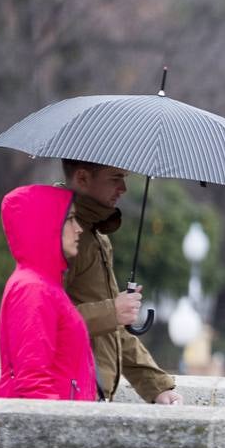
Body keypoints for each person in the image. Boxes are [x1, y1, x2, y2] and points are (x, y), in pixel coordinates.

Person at [59, 160, 181, 404]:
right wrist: (112, 311)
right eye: (115, 178)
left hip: (91, 392)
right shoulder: (65, 235)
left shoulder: (95, 235)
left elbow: (112, 330)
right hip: (71, 392)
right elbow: (47, 323)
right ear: (82, 179)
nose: (123, 188)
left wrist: (157, 386)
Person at [0, 185, 97, 401]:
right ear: (46, 224)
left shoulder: (47, 285)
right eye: (70, 219)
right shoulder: (32, 289)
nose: (79, 228)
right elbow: (33, 383)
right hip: (54, 430)